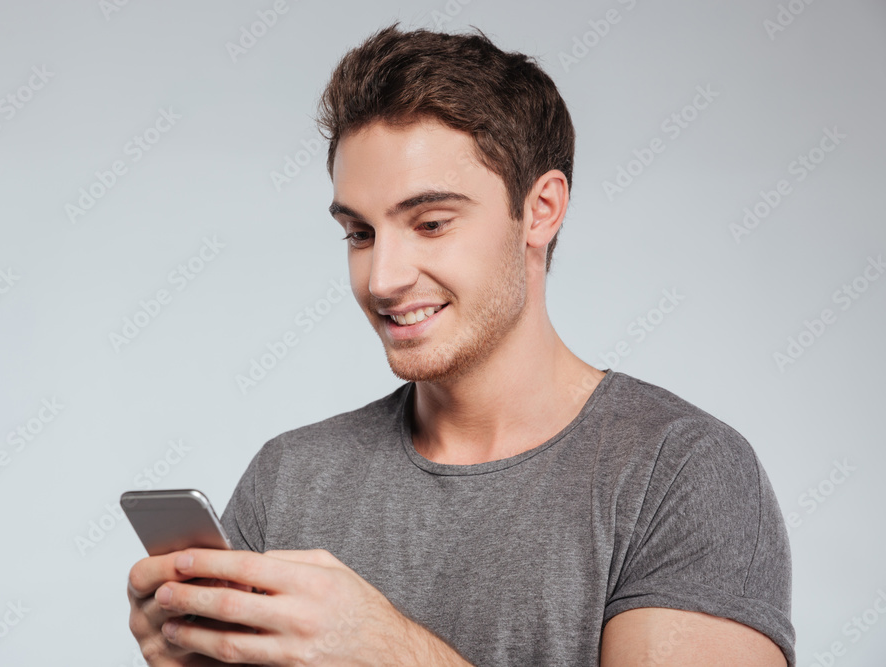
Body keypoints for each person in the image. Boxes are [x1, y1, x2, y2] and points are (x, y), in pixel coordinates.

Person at [127, 23, 795, 666]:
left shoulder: (679, 474)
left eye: (431, 222)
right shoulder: (289, 479)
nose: (383, 278)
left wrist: (392, 652)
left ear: (541, 209)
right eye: (360, 233)